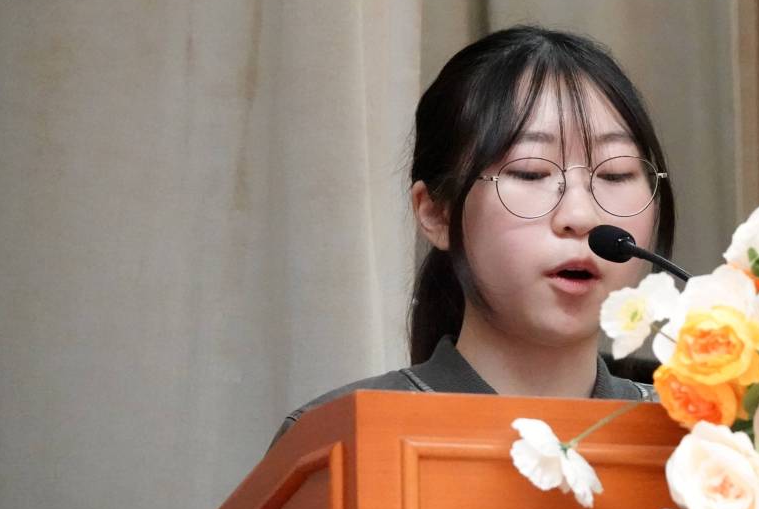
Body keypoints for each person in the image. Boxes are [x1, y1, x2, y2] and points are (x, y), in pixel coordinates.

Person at [269, 25, 676, 447]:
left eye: (615, 173)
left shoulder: (699, 440)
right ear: (436, 212)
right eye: (530, 172)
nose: (580, 215)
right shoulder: (338, 438)